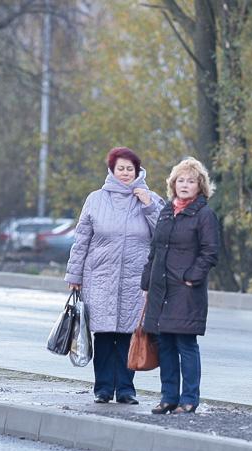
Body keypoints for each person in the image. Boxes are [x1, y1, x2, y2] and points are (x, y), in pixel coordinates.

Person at [65, 147, 165, 404]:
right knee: (103, 335)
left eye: (130, 169)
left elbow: (164, 235)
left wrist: (148, 206)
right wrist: (74, 276)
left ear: (137, 171)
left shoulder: (151, 199)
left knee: (128, 335)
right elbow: (81, 241)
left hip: (135, 281)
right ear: (112, 170)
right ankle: (102, 389)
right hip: (100, 278)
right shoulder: (95, 199)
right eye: (121, 168)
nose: (125, 173)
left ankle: (126, 389)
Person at [142, 157, 220, 415]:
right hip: (160, 289)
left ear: (200, 186)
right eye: (180, 180)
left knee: (185, 345)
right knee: (164, 345)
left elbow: (210, 252)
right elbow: (154, 249)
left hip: (186, 290)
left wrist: (191, 277)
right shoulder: (166, 212)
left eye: (191, 181)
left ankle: (189, 399)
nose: (185, 185)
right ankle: (168, 398)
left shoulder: (205, 215)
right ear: (173, 184)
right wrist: (147, 280)